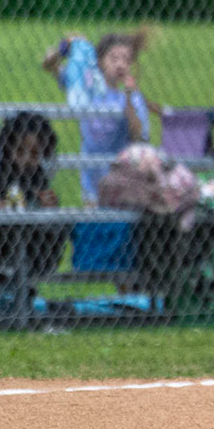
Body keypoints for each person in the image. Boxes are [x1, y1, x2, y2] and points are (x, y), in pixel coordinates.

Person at [42, 31, 155, 271]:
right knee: (97, 249)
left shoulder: (132, 97)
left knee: (120, 250)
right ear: (100, 61)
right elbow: (53, 68)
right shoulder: (87, 88)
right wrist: (62, 51)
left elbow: (139, 135)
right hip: (92, 179)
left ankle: (130, 290)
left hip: (121, 184)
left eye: (126, 60)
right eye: (114, 58)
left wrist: (128, 99)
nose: (121, 65)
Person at [0, 112, 67, 317]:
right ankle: (12, 293)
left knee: (58, 225)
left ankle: (23, 293)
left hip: (32, 248)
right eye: (20, 152)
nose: (26, 160)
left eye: (35, 154)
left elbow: (34, 204)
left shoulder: (36, 174)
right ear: (7, 147)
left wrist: (47, 204)